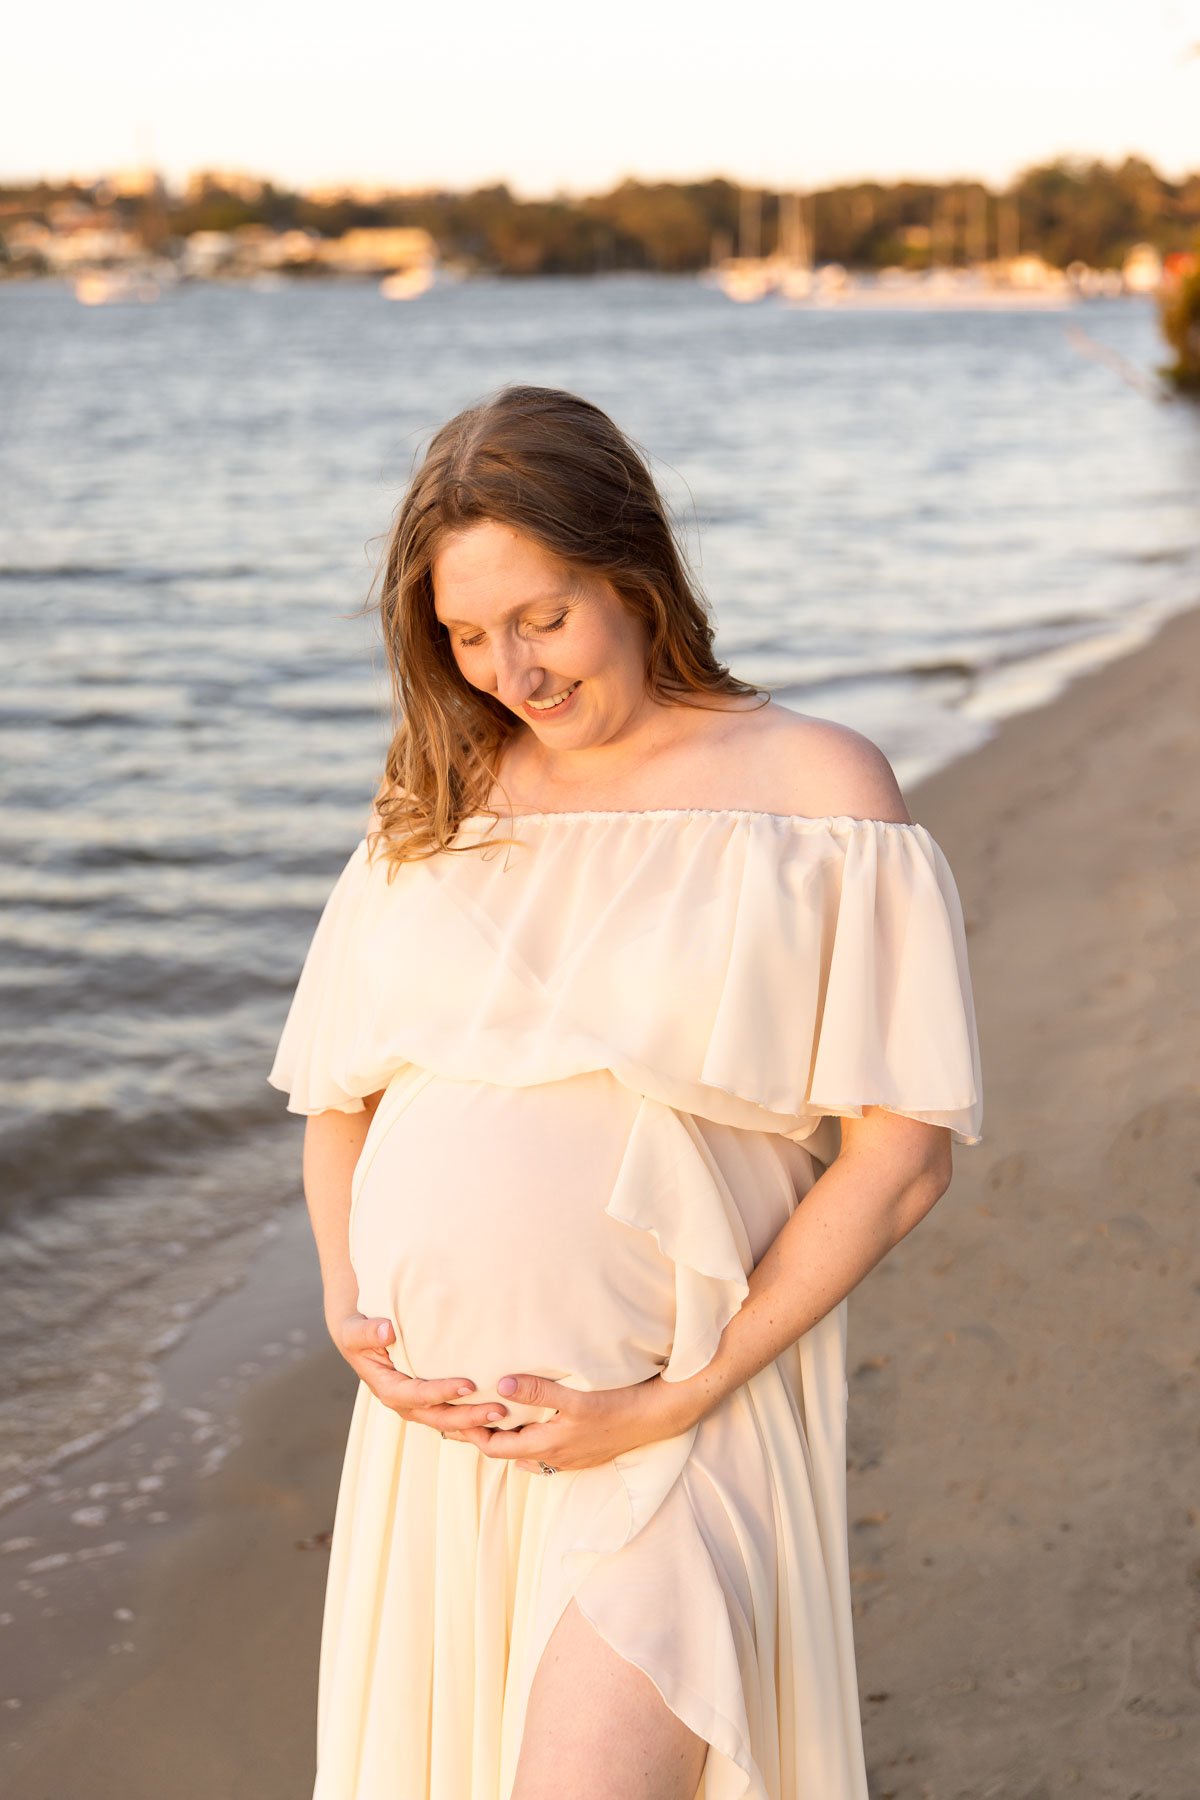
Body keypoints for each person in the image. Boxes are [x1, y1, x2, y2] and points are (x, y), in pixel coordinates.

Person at [268, 383, 984, 1800]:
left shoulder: (817, 794)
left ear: (637, 575)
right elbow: (342, 1101)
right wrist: (356, 1316)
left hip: (675, 1428)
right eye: (466, 636)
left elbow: (898, 1158)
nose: (509, 672)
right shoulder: (436, 802)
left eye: (543, 618)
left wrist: (679, 1397)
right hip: (442, 1441)